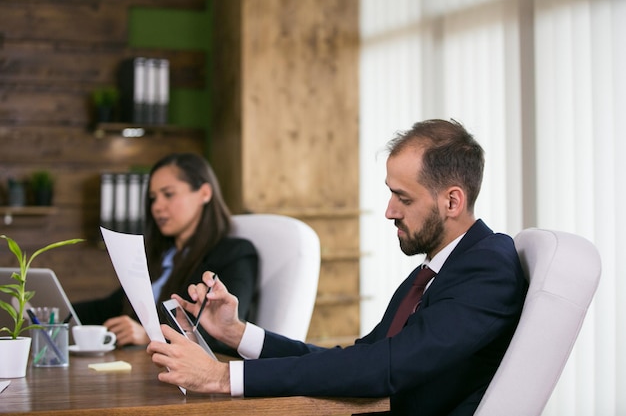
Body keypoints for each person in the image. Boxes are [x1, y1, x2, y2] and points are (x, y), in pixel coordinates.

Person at [147, 120, 528, 415]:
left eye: (403, 197)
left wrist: (221, 376)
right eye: (390, 193)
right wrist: (238, 333)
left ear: (452, 201)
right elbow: (359, 359)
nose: (389, 211)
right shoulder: (434, 270)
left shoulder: (487, 268)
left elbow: (386, 368)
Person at [74, 153, 258, 354]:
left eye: (168, 194)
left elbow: (223, 331)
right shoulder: (161, 256)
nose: (157, 207)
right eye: (153, 198)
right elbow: (109, 307)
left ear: (204, 193)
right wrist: (54, 310)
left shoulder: (234, 253)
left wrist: (151, 336)